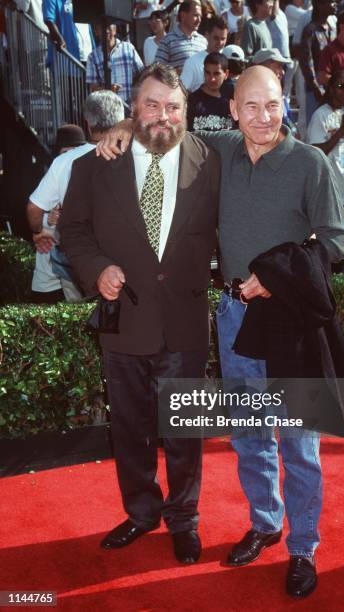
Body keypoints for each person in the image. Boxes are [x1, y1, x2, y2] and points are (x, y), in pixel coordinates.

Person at [95, 64, 344, 598]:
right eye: (251, 106)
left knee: (299, 444)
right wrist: (121, 127)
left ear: (287, 106)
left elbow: (332, 241)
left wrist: (278, 277)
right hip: (234, 316)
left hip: (292, 322)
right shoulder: (219, 152)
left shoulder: (312, 163)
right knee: (250, 435)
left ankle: (303, 546)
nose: (264, 117)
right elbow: (162, 129)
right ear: (231, 110)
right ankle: (265, 524)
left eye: (274, 105)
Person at [59, 63, 220, 565]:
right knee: (129, 427)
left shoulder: (213, 160)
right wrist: (96, 268)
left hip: (184, 320)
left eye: (173, 106)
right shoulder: (93, 165)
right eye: (151, 105)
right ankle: (142, 512)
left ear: (187, 111)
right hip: (123, 318)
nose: (163, 116)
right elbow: (74, 232)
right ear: (134, 107)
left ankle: (184, 518)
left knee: (184, 430)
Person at [26, 92, 125, 303]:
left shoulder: (64, 162)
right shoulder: (136, 155)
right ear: (121, 119)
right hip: (124, 262)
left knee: (83, 326)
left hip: (79, 263)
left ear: (87, 123)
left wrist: (38, 232)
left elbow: (33, 209)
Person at [27, 123, 86, 303]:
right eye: (65, 152)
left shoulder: (90, 175)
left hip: (78, 272)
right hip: (50, 276)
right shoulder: (51, 177)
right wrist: (49, 221)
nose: (70, 156)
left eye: (75, 151)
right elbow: (33, 213)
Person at [307, 70, 344, 215]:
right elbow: (316, 152)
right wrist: (342, 128)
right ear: (331, 89)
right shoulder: (320, 115)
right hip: (326, 187)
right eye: (341, 86)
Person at [86, 23, 143, 106]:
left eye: (109, 25)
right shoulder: (93, 56)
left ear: (115, 29)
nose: (106, 30)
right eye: (101, 26)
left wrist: (136, 96)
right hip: (107, 107)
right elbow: (93, 87)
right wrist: (108, 89)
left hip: (130, 106)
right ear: (96, 31)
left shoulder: (129, 48)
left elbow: (141, 74)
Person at [299, 0, 337, 125]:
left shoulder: (331, 29)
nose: (334, 4)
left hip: (331, 89)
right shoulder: (310, 30)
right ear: (320, 5)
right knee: (315, 127)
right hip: (315, 92)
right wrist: (315, 88)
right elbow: (306, 61)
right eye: (331, 2)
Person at [155, 0, 207, 72]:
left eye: (200, 16)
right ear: (183, 15)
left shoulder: (204, 41)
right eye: (195, 15)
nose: (199, 20)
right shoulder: (167, 40)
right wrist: (175, 73)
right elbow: (157, 70)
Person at [187, 52, 233, 130]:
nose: (212, 79)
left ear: (226, 74)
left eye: (216, 74)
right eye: (208, 73)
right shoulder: (191, 101)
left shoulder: (231, 100)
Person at [181, 16, 228, 93]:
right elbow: (182, 91)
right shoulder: (192, 62)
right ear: (207, 35)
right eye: (216, 38)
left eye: (223, 39)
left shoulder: (228, 57)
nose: (220, 43)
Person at [317, 9, 344, 86]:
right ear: (342, 27)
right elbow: (322, 78)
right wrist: (343, 85)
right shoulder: (329, 50)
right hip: (334, 97)